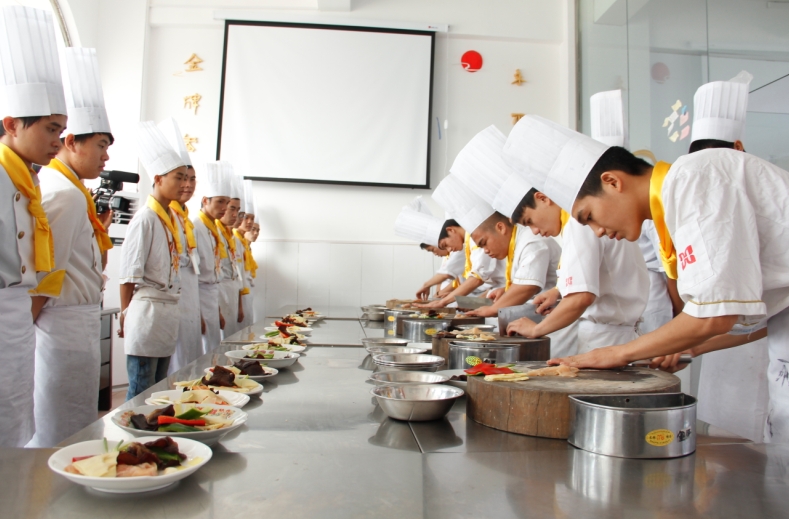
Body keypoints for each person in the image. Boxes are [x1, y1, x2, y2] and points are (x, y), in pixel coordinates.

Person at [509, 114, 789, 442]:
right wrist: (690, 346)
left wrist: (617, 353)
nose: (597, 231)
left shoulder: (693, 179)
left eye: (590, 216)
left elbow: (717, 315)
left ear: (612, 182)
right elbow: (760, 314)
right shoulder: (675, 199)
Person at [502, 118, 649, 357]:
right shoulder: (581, 221)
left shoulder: (579, 223)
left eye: (530, 221)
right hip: (613, 332)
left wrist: (536, 329)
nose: (535, 231)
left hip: (607, 337)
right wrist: (559, 290)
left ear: (543, 198)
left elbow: (582, 297)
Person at [28, 47, 113, 447]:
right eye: (100, 145)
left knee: (72, 420)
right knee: (59, 429)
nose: (106, 156)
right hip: (61, 328)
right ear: (72, 142)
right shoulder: (64, 193)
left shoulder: (74, 191)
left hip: (73, 324)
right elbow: (45, 274)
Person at [684, 72, 769, 442]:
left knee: (755, 444)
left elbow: (753, 316)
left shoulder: (759, 196)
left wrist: (689, 341)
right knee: (721, 440)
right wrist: (690, 342)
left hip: (755, 339)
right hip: (724, 336)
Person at [0, 6, 68, 447]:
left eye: (61, 132)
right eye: (50, 130)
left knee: (14, 420)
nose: (57, 143)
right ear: (11, 124)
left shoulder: (28, 182)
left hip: (16, 322)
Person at [450, 126, 562, 320]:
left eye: (484, 243)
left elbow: (528, 287)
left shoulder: (532, 240)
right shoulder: (516, 243)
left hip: (556, 323)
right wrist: (504, 291)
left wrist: (491, 310)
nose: (485, 251)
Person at [590, 89, 674, 334]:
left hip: (652, 294)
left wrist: (680, 314)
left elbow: (669, 269)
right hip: (622, 298)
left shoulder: (651, 202)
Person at [119, 122, 188, 400]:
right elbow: (129, 274)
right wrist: (125, 314)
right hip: (146, 312)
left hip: (166, 313)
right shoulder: (145, 218)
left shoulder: (171, 219)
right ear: (158, 179)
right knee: (140, 389)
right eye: (178, 178)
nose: (184, 184)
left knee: (159, 391)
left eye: (186, 178)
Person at [159, 117, 203, 375]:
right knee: (175, 366)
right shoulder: (161, 217)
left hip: (190, 298)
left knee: (190, 359)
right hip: (172, 299)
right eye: (181, 178)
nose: (187, 184)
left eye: (192, 179)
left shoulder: (184, 218)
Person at [423, 175, 505, 308]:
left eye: (445, 245)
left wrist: (444, 301)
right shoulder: (468, 241)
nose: (449, 250)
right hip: (494, 294)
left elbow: (477, 278)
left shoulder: (477, 238)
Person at [193, 162, 231, 354]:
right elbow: (192, 276)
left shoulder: (213, 229)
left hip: (212, 298)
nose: (224, 207)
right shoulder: (195, 227)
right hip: (199, 298)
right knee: (202, 353)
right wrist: (198, 314)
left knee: (214, 351)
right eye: (220, 202)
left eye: (227, 202)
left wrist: (217, 311)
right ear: (205, 200)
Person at [218, 171, 244, 338]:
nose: (235, 215)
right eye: (231, 208)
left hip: (232, 294)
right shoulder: (212, 232)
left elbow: (237, 273)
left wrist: (239, 305)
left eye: (238, 210)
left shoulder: (231, 237)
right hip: (218, 295)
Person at [234, 179, 256, 330]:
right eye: (245, 217)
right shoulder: (234, 240)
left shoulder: (243, 243)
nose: (248, 221)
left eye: (251, 219)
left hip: (244, 294)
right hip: (235, 295)